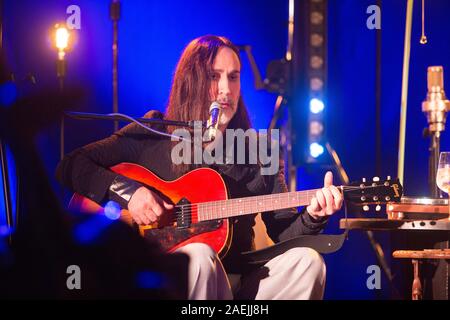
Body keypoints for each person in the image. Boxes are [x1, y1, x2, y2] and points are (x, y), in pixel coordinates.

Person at [56, 35, 343, 300]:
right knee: (199, 255)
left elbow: (283, 233)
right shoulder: (152, 132)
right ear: (190, 81)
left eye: (233, 78)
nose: (225, 89)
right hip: (170, 284)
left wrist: (314, 215)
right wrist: (131, 194)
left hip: (237, 288)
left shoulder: (257, 150)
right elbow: (72, 165)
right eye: (214, 77)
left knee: (308, 262)